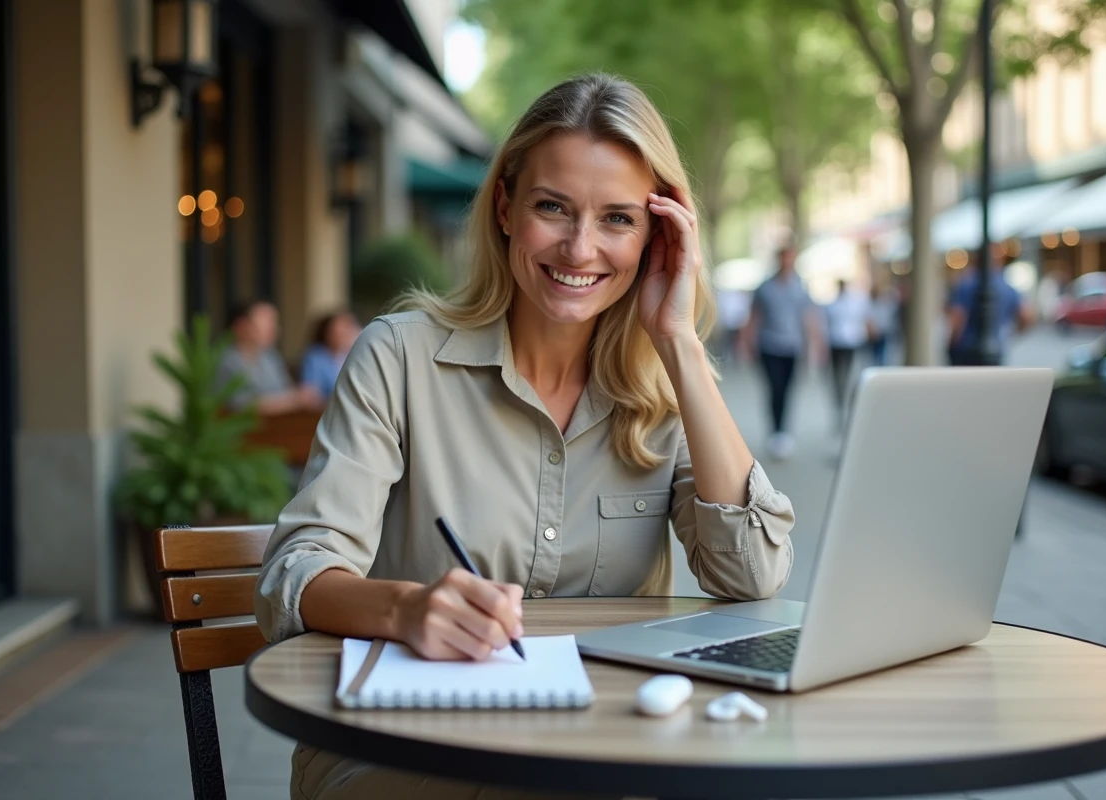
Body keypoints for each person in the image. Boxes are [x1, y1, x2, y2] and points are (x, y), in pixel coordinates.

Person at [255, 74, 796, 800]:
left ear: (659, 234)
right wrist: (405, 609)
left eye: (617, 219)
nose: (580, 248)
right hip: (408, 744)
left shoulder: (671, 388)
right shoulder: (400, 357)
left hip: (605, 750)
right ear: (506, 207)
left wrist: (679, 342)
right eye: (553, 208)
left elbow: (753, 574)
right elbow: (294, 573)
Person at [739, 246, 822, 460]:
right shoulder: (765, 287)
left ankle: (784, 431)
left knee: (787, 390)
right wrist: (746, 342)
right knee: (774, 388)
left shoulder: (800, 286)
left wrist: (815, 345)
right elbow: (754, 316)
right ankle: (776, 432)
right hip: (768, 346)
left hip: (793, 347)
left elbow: (809, 317)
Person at [216, 301, 322, 414]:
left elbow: (286, 390)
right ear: (241, 326)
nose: (274, 329)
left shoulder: (270, 356)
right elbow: (241, 405)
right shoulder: (225, 360)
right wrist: (294, 399)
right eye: (267, 322)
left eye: (274, 322)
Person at [946, 253, 1033, 366]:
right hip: (997, 349)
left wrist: (951, 345)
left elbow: (957, 318)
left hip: (965, 350)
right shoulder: (1007, 287)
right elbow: (1027, 317)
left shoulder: (966, 284)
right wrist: (1009, 335)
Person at [823, 279, 871, 428]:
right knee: (838, 377)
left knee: (847, 375)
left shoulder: (853, 303)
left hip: (850, 343)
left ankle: (846, 406)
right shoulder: (832, 305)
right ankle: (840, 405)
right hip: (836, 343)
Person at [300, 310, 363, 399]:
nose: (344, 335)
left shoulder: (356, 355)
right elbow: (311, 392)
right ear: (327, 333)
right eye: (338, 332)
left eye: (347, 330)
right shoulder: (316, 356)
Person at [867, 280, 900, 366]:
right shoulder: (870, 305)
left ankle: (881, 365)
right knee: (875, 353)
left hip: (882, 332)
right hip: (875, 333)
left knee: (882, 352)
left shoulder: (883, 304)